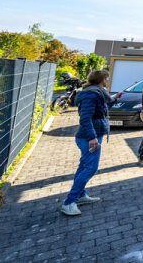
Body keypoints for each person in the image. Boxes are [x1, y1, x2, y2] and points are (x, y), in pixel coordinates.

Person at [60, 69, 113, 216]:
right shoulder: (91, 94)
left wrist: (115, 99)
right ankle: (69, 202)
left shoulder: (97, 93)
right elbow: (85, 118)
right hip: (88, 137)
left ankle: (81, 195)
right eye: (106, 78)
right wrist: (92, 137)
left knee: (84, 166)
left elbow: (100, 112)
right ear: (101, 79)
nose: (107, 81)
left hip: (93, 134)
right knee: (91, 168)